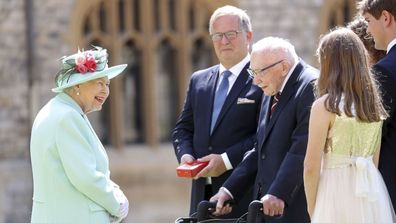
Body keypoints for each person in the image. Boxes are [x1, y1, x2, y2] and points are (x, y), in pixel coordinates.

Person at [210, 37, 318, 223]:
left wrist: (278, 193)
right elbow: (260, 149)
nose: (256, 80)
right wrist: (229, 190)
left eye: (260, 72)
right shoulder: (272, 86)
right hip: (265, 208)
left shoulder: (310, 85)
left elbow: (302, 149)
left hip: (294, 208)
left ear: (284, 67)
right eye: (253, 72)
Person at [172, 5, 263, 218]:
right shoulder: (199, 80)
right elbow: (182, 129)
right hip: (201, 196)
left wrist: (226, 160)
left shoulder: (262, 79)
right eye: (218, 35)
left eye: (231, 34)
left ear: (248, 35)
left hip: (242, 194)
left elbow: (263, 136)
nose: (224, 41)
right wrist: (185, 155)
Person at [303, 27, 396, 222]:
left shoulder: (326, 106)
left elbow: (311, 166)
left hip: (334, 190)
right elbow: (374, 160)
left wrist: (313, 208)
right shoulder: (372, 104)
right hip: (370, 190)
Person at [30, 46, 129, 223]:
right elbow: (85, 177)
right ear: (77, 85)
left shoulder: (55, 110)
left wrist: (115, 190)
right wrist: (117, 204)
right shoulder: (67, 117)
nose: (105, 91)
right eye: (99, 83)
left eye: (107, 84)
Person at [358, 0, 396, 208]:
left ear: (386, 18)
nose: (367, 30)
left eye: (368, 20)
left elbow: (371, 139)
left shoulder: (384, 71)